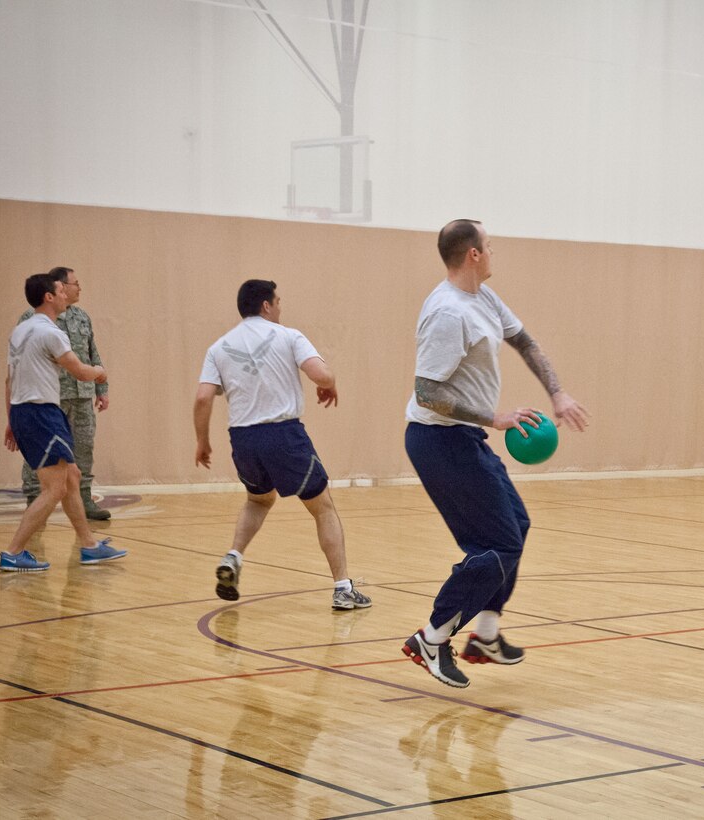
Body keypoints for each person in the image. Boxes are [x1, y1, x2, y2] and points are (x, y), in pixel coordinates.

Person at [401, 219, 589, 688]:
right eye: (489, 245)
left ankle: (485, 635)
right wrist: (495, 418)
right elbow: (426, 392)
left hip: (463, 439)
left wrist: (558, 394)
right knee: (496, 545)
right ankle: (432, 635)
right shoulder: (448, 312)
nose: (494, 249)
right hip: (438, 441)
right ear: (474, 255)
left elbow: (524, 341)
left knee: (516, 527)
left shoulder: (481, 298)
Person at [193, 279, 371, 611]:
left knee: (258, 501)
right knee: (323, 508)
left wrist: (202, 441)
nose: (280, 307)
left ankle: (233, 557)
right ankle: (343, 588)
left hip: (243, 439)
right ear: (266, 305)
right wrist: (328, 384)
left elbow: (204, 397)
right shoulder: (288, 336)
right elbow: (322, 375)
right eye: (278, 301)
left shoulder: (219, 347)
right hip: (283, 435)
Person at [1, 273, 127, 571]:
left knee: (71, 477)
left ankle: (89, 546)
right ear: (49, 296)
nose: (65, 294)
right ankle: (13, 552)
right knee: (55, 488)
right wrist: (100, 372)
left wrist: (11, 421)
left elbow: (9, 380)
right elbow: (80, 371)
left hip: (25, 411)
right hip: (42, 413)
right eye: (60, 290)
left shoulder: (20, 331)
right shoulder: (50, 332)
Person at [19, 266, 111, 520]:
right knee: (41, 452)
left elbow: (92, 353)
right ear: (59, 287)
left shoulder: (82, 316)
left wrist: (101, 389)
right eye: (75, 283)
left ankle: (84, 499)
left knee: (83, 449)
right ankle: (34, 500)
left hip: (82, 395)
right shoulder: (32, 318)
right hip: (50, 396)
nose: (79, 288)